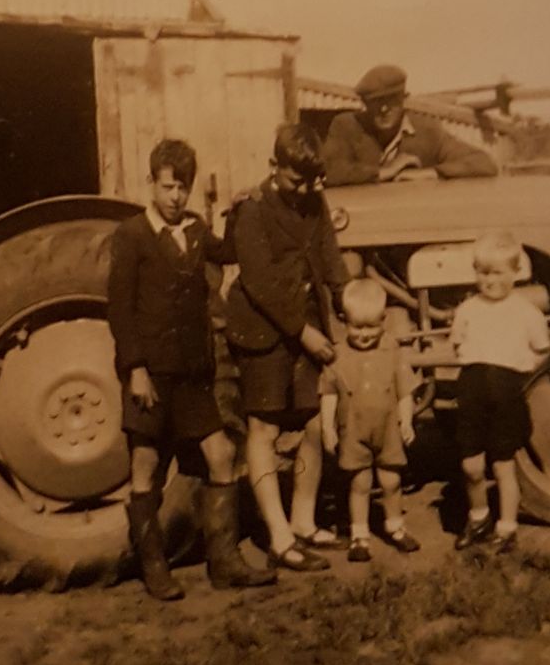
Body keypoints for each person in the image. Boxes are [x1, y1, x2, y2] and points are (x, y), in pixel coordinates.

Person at [107, 138, 276, 600]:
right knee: (146, 465)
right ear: (152, 183)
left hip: (192, 375)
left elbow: (229, 252)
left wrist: (240, 210)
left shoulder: (198, 231)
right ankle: (154, 566)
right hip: (152, 375)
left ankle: (225, 562)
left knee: (221, 456)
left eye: (183, 188)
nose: (176, 197)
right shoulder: (132, 236)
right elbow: (120, 311)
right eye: (168, 187)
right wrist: (135, 369)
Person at [225, 124, 351, 571]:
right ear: (274, 166)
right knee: (264, 431)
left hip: (307, 326)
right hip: (262, 331)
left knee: (315, 425)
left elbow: (330, 257)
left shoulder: (313, 202)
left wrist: (347, 301)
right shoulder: (251, 211)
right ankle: (278, 538)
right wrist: (303, 333)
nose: (302, 190)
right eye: (294, 180)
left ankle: (302, 520)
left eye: (309, 182)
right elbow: (259, 283)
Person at [449, 231, 550, 553]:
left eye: (497, 273)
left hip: (506, 391)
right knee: (471, 466)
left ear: (515, 273)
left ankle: (506, 529)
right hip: (473, 388)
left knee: (503, 465)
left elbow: (543, 350)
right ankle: (478, 517)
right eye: (483, 272)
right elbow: (456, 345)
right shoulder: (468, 309)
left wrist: (523, 367)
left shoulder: (526, 312)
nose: (490, 280)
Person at [319, 279, 421, 563]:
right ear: (344, 322)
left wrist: (407, 422)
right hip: (353, 431)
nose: (364, 334)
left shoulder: (392, 350)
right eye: (356, 327)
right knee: (360, 484)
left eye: (371, 327)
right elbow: (328, 394)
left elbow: (405, 392)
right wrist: (328, 427)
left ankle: (395, 527)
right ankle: (360, 536)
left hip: (387, 430)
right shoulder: (338, 355)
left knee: (391, 481)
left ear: (384, 320)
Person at [320, 63, 499, 186]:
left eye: (391, 100)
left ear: (404, 99)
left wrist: (432, 173)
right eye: (376, 102)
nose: (384, 109)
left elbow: (484, 163)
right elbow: (328, 171)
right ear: (365, 104)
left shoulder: (428, 132)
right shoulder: (348, 126)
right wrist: (384, 172)